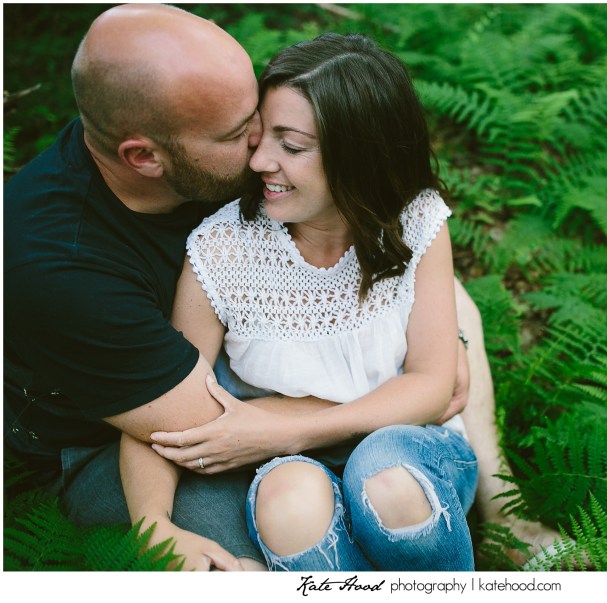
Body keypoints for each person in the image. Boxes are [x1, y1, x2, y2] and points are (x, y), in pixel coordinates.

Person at [3, 3, 562, 571]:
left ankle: (501, 510)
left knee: (395, 464)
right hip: (135, 426)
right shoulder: (61, 265)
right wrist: (411, 385)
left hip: (274, 382)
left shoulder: (250, 157)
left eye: (264, 122)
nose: (258, 150)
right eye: (239, 133)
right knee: (250, 554)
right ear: (145, 157)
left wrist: (437, 355)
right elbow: (202, 427)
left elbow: (394, 243)